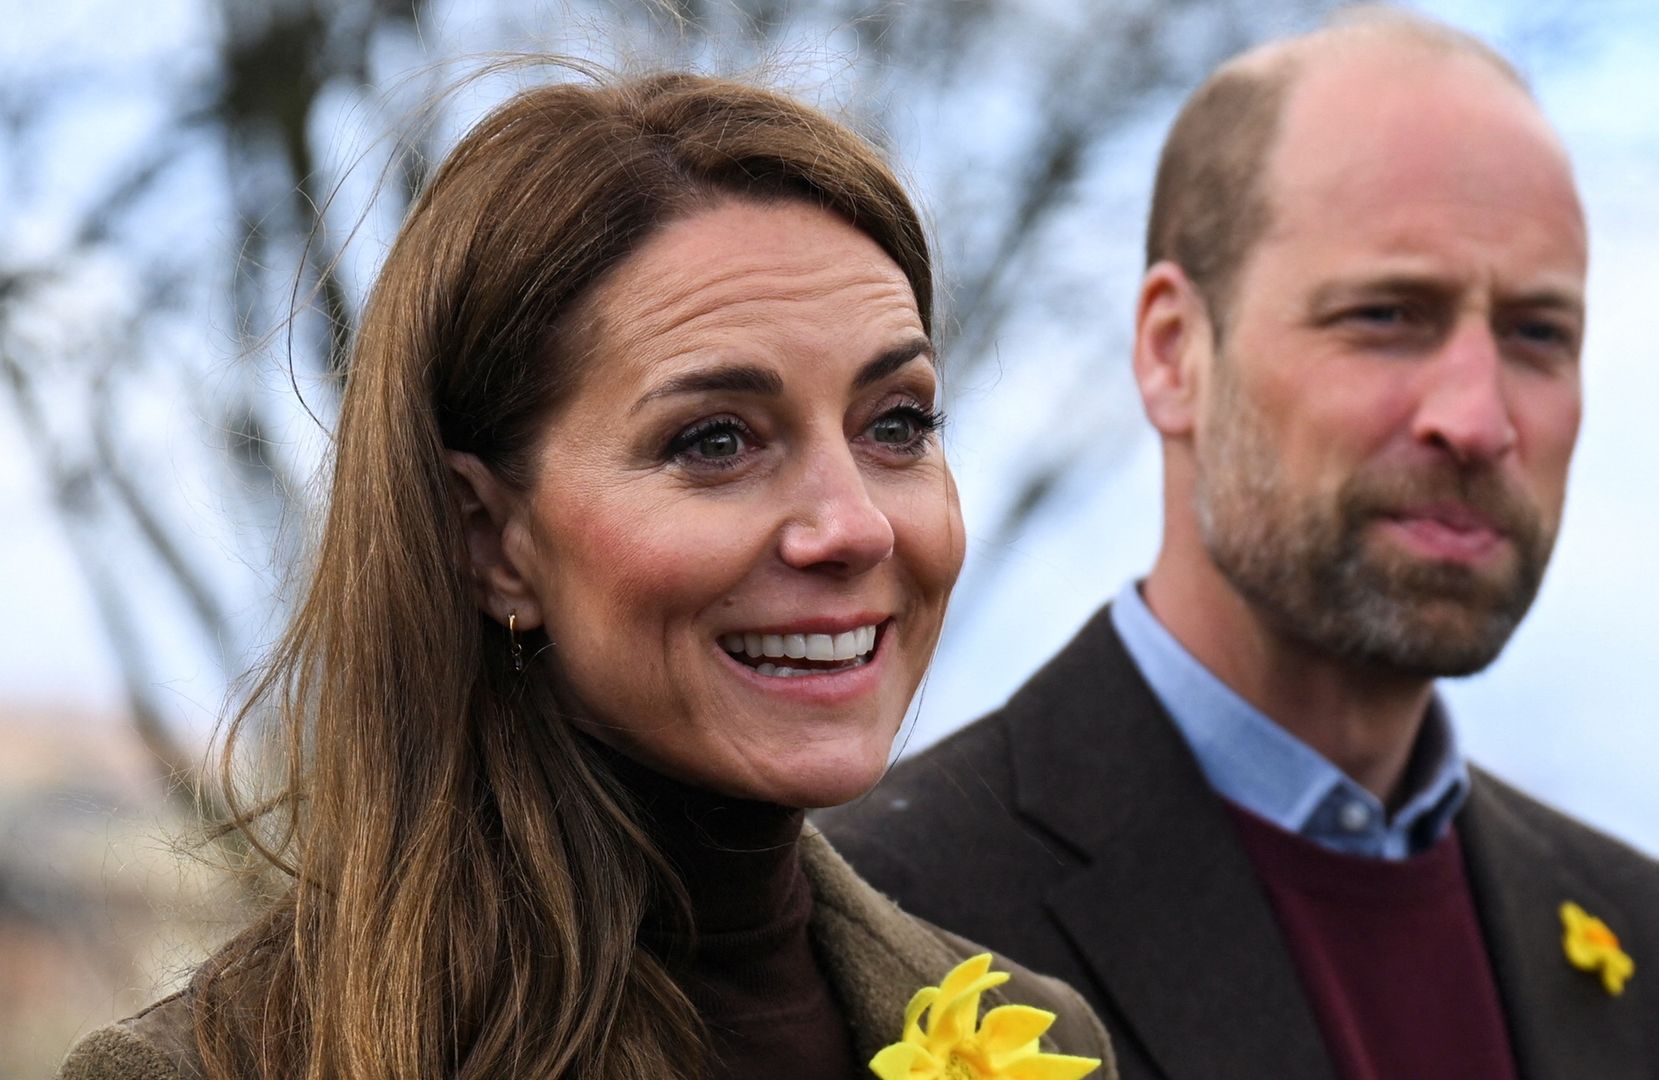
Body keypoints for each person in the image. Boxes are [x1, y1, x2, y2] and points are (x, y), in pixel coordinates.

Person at [57, 70, 1111, 1080]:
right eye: (715, 442)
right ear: (489, 540)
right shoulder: (210, 1070)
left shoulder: (1034, 1034)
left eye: (897, 423)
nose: (854, 526)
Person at [820, 10, 1659, 1080]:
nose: (1478, 417)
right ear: (1174, 353)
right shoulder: (872, 922)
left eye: (1538, 333)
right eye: (1386, 315)